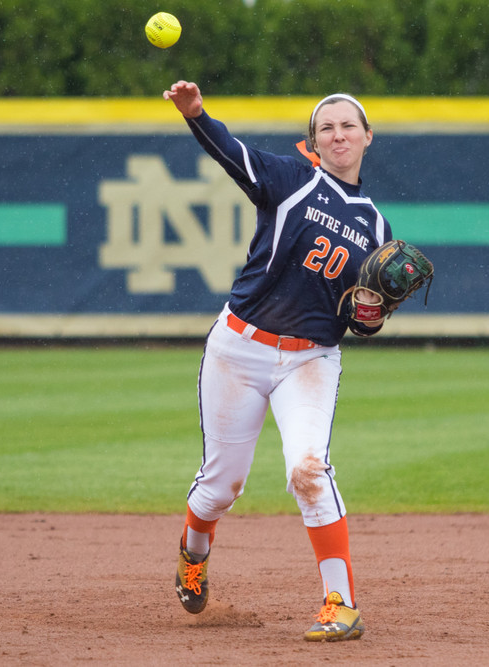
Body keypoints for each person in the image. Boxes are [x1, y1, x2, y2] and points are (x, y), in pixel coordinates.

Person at [164, 80, 390, 642]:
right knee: (220, 487)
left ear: (368, 137)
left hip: (309, 359)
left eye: (348, 125)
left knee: (308, 469)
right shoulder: (292, 180)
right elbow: (233, 153)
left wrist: (371, 316)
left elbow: (362, 318)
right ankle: (194, 554)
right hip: (238, 349)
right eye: (327, 127)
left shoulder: (378, 229)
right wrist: (196, 114)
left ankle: (340, 603)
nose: (338, 133)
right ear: (312, 141)